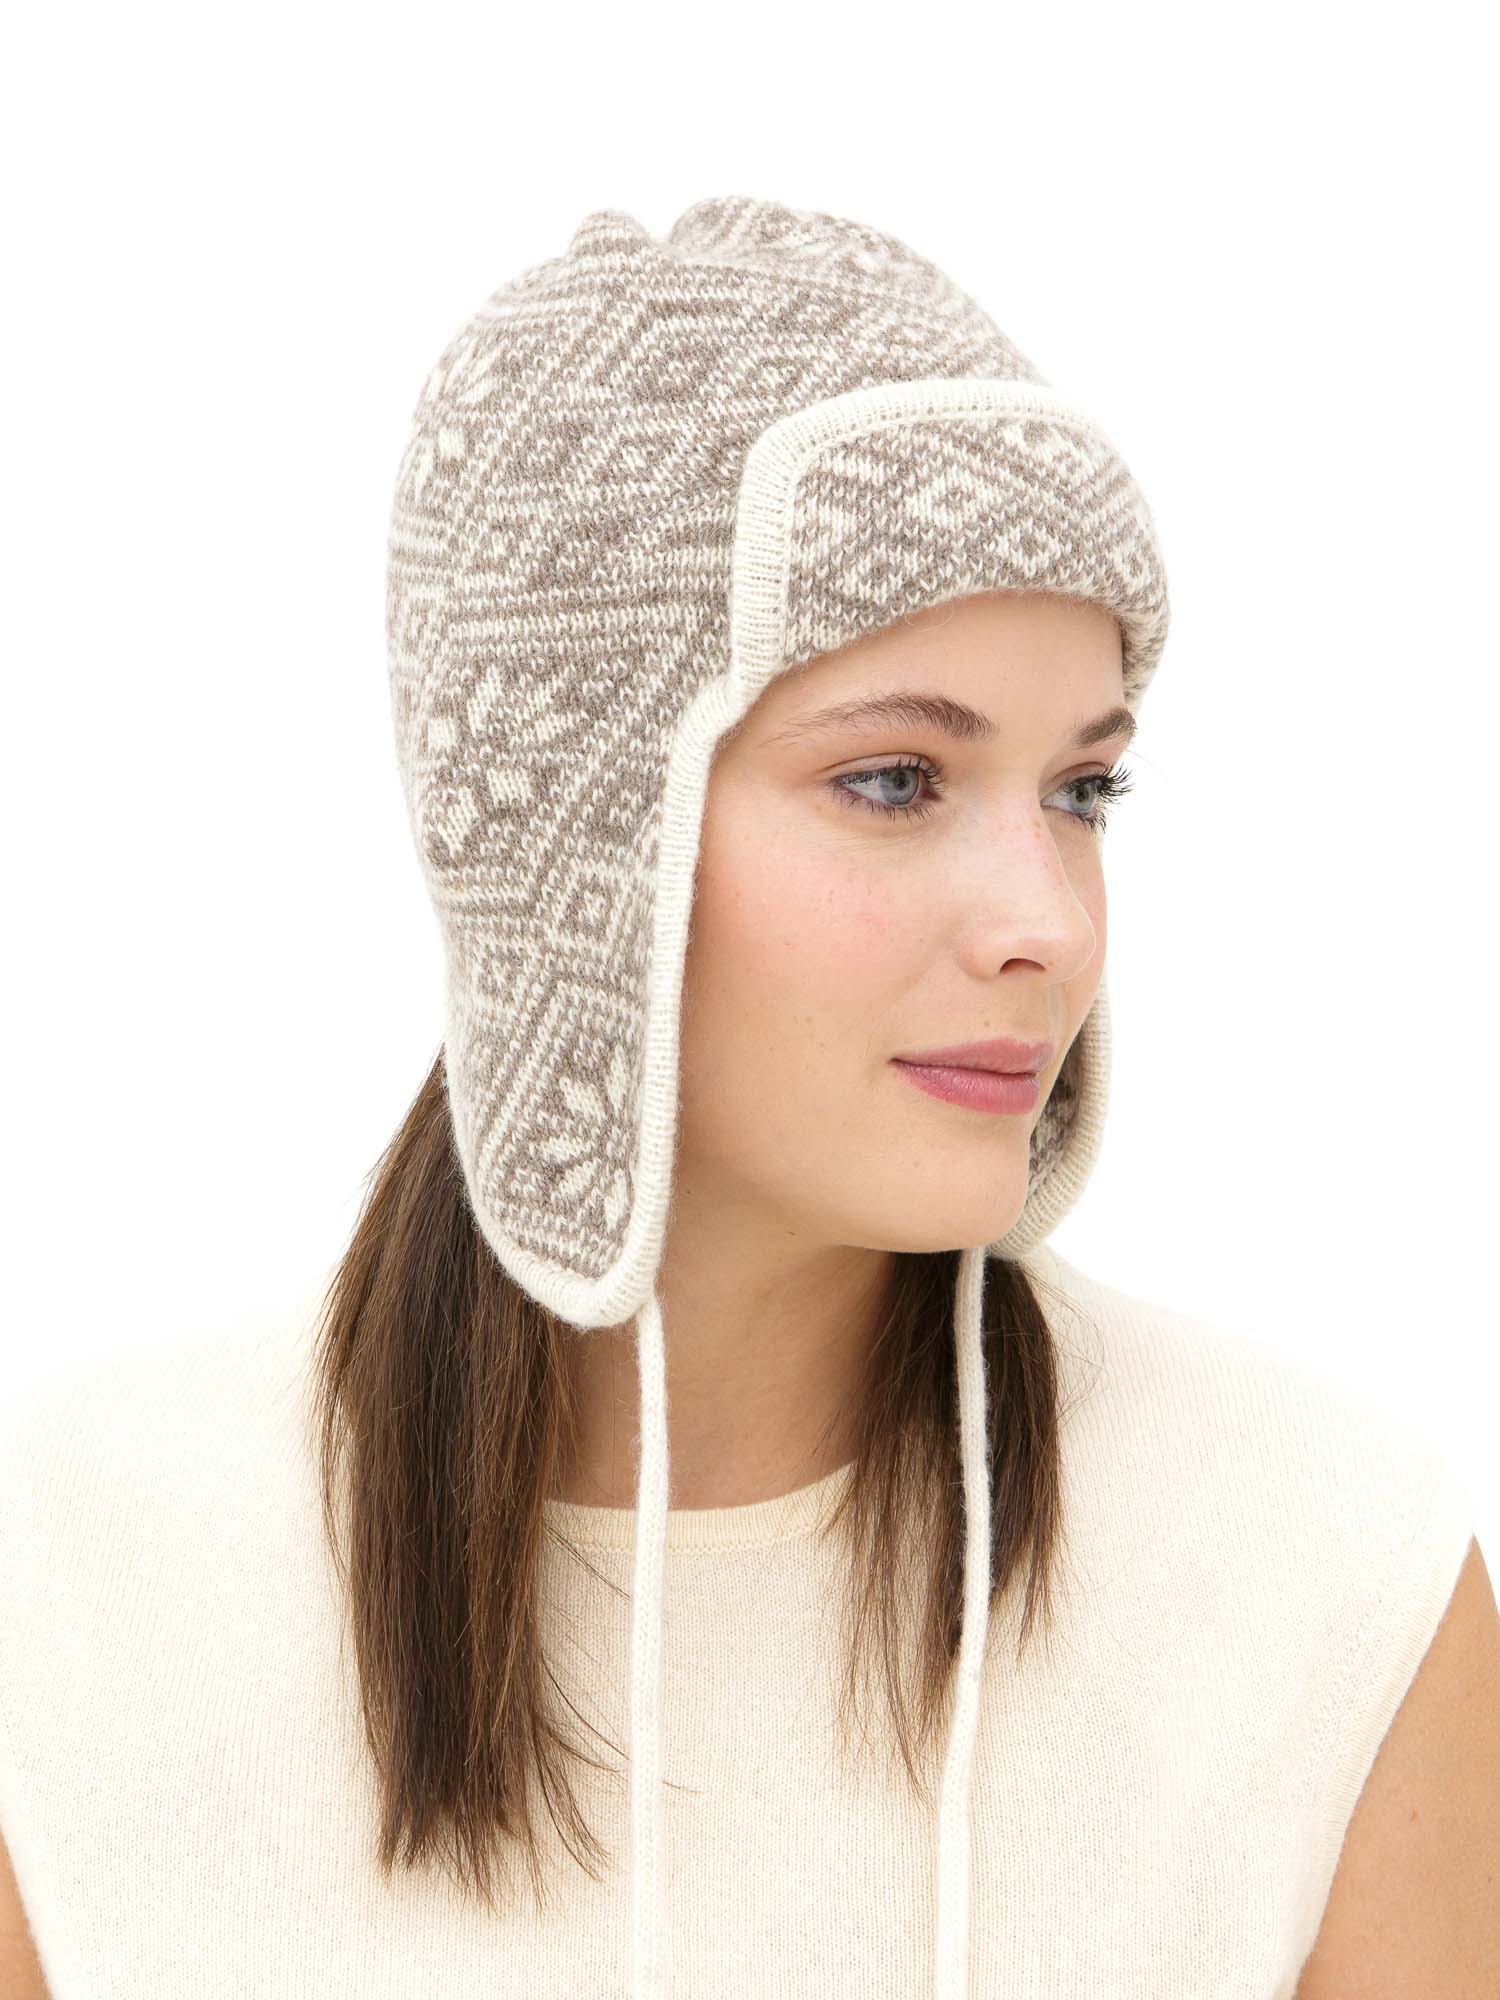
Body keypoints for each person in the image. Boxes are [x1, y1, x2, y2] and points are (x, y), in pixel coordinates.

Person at [2, 196, 1497, 2000]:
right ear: (574, 847)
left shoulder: (1326, 1572)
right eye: (895, 780)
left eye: (1082, 791)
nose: (1047, 925)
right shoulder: (67, 1581)